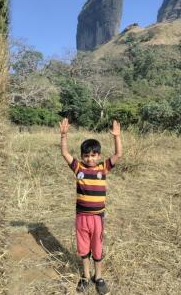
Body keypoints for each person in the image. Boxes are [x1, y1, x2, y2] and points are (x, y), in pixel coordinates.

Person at [59, 118, 122, 294]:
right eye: (86, 155)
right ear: (82, 156)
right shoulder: (78, 168)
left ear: (99, 156)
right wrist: (64, 135)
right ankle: (86, 276)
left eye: (93, 155)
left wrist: (117, 136)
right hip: (82, 218)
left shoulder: (103, 168)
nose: (90, 158)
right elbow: (65, 153)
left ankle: (98, 276)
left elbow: (118, 154)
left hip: (97, 218)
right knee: (84, 248)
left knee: (97, 248)